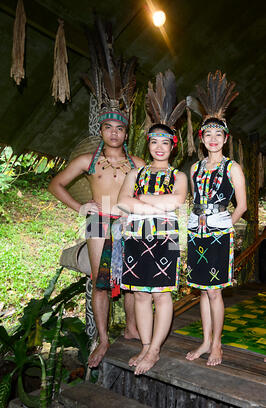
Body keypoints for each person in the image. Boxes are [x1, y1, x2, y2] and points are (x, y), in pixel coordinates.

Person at [48, 20, 144, 368]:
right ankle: (103, 340)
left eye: (120, 127)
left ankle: (132, 329)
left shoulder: (137, 161)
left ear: (125, 131)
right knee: (99, 282)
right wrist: (79, 205)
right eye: (109, 127)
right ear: (100, 129)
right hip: (96, 221)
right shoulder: (88, 160)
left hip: (127, 222)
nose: (115, 133)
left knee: (132, 283)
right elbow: (55, 184)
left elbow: (153, 190)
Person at [118, 70, 188, 375]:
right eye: (154, 141)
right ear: (148, 143)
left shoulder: (179, 176)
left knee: (161, 293)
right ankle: (145, 345)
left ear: (173, 146)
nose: (159, 147)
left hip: (166, 236)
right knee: (140, 293)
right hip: (136, 236)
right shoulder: (136, 174)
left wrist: (141, 203)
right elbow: (122, 201)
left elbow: (176, 202)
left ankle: (156, 348)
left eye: (165, 142)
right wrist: (155, 205)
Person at [186, 70, 247, 366]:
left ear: (225, 138)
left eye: (218, 134)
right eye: (207, 134)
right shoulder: (195, 168)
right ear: (202, 137)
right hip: (196, 234)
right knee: (202, 290)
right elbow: (195, 201)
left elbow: (243, 206)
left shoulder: (233, 167)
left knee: (214, 292)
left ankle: (217, 344)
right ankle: (204, 341)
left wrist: (224, 225)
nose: (213, 139)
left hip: (219, 234)